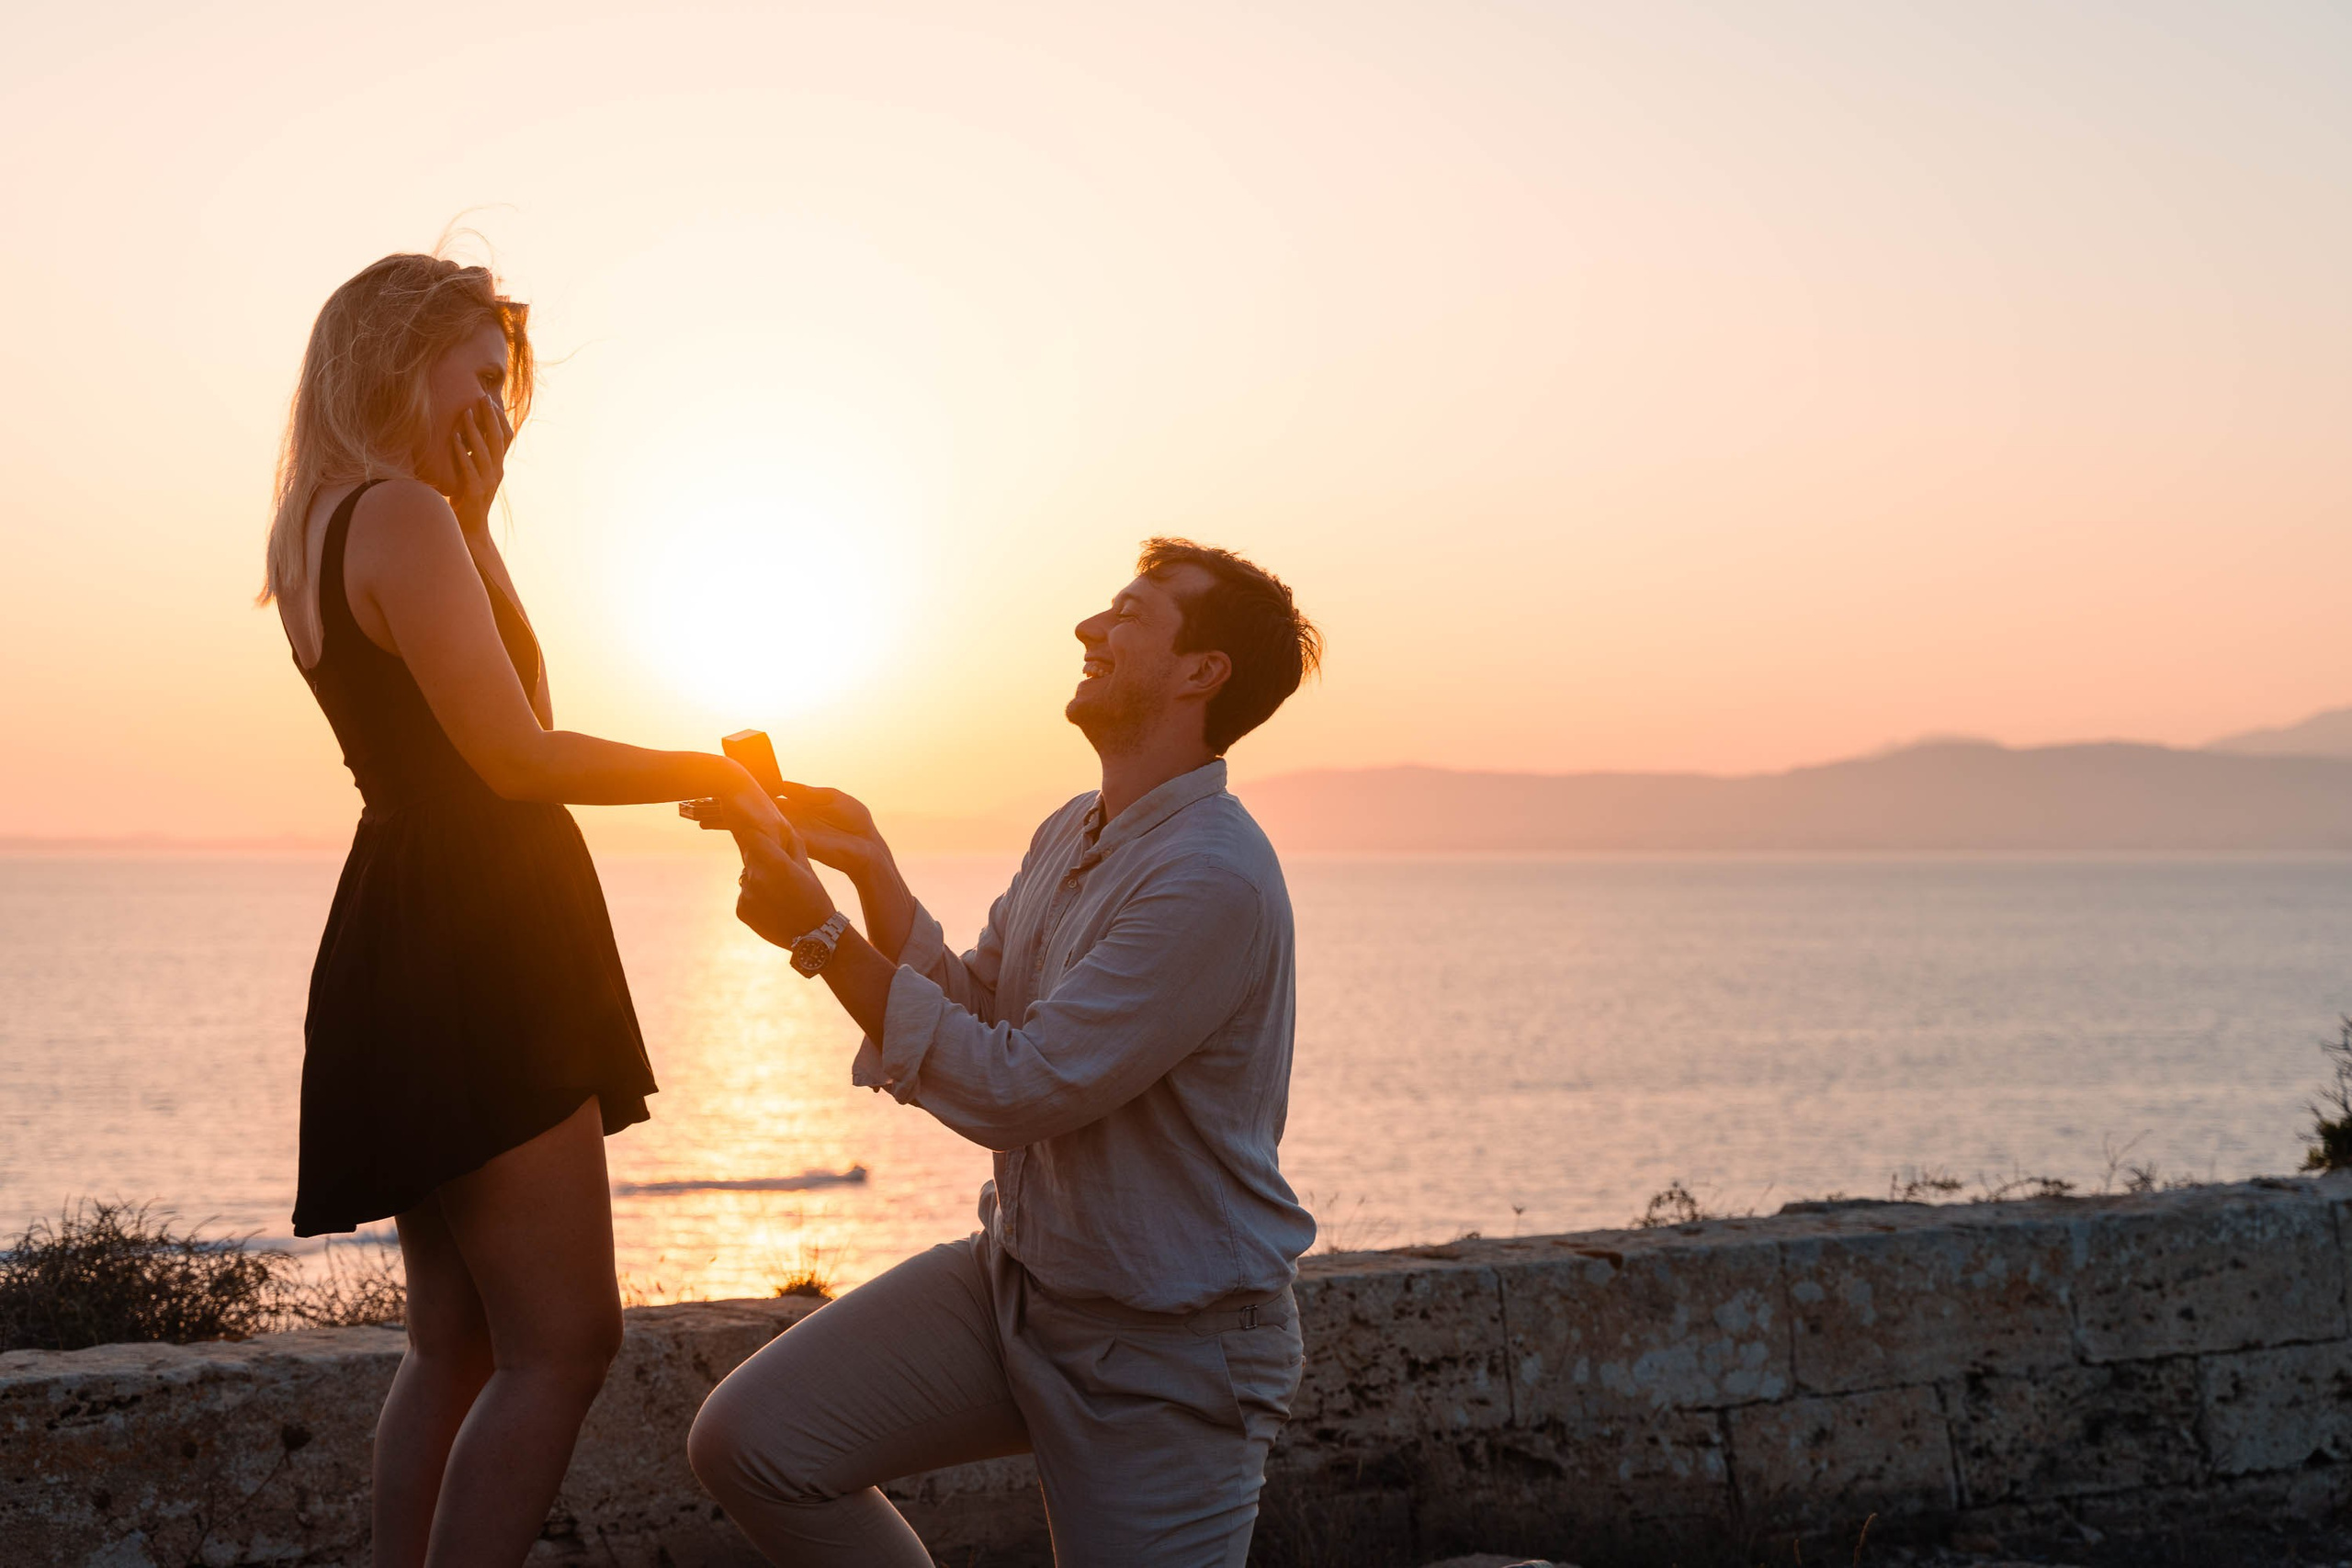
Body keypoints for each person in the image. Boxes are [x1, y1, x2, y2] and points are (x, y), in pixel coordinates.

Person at [261, 252, 786, 1568]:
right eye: (482, 375)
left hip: (407, 923)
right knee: (564, 1342)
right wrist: (707, 769)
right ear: (400, 358)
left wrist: (481, 519)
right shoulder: (400, 515)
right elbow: (521, 755)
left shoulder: (335, 516)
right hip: (480, 938)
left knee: (457, 1339)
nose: (499, 405)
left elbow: (502, 718)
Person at [690, 539, 1324, 1566]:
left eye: (1129, 612)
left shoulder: (1214, 878)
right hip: (1017, 1288)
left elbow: (1021, 1088)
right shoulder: (1074, 829)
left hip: (1168, 1353)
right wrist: (868, 870)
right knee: (756, 1444)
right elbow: (989, 1006)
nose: (1089, 627)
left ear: (1202, 673)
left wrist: (823, 942)